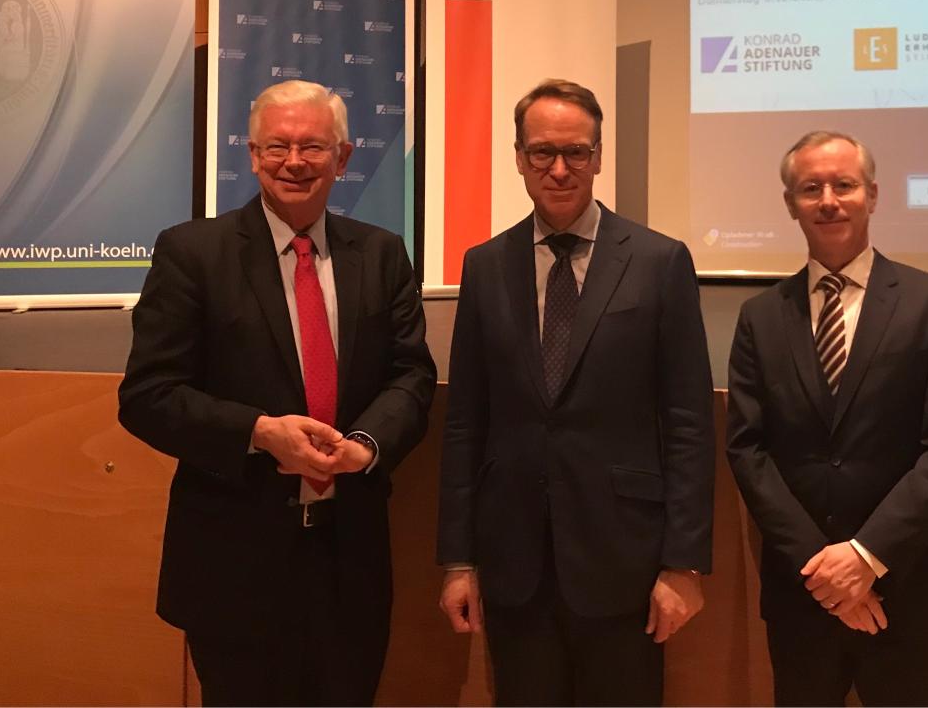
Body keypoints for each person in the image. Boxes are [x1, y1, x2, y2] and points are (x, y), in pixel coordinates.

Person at [118, 79, 435, 707]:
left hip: (349, 560)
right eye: (277, 146)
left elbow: (411, 375)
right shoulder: (192, 253)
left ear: (342, 158)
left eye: (312, 146)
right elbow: (148, 395)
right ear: (252, 154)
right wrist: (259, 433)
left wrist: (366, 445)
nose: (294, 162)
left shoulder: (382, 254)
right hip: (233, 564)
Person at [436, 78, 715, 706]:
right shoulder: (485, 265)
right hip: (515, 563)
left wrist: (684, 563)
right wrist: (458, 560)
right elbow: (465, 423)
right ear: (518, 157)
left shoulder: (659, 261)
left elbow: (689, 422)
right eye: (542, 152)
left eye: (575, 152)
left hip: (626, 562)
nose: (559, 170)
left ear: (598, 156)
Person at [726, 131, 928, 706]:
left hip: (906, 589)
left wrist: (865, 558)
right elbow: (748, 450)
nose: (828, 201)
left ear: (873, 195)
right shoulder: (760, 318)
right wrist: (824, 574)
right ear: (790, 204)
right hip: (802, 593)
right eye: (810, 188)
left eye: (844, 185)